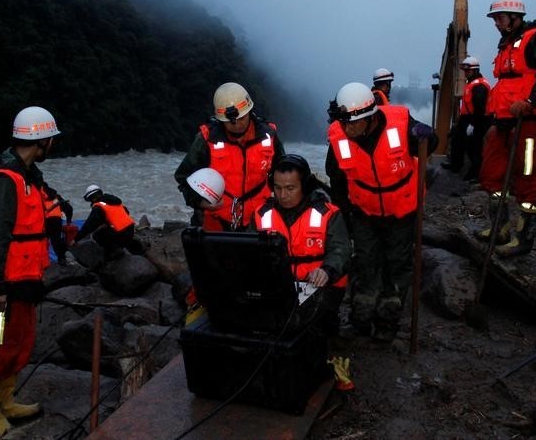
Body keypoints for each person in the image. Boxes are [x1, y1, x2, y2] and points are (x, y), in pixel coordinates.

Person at [326, 82, 436, 342]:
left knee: (397, 266)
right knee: (365, 264)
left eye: (353, 123)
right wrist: (344, 218)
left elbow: (432, 141)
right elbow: (337, 181)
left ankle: (387, 321)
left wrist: (427, 137)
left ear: (370, 116)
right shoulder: (339, 136)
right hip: (364, 212)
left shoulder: (400, 123)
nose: (347, 129)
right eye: (344, 123)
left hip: (402, 211)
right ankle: (361, 319)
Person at [0, 106, 59, 437]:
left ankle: (6, 399)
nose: (52, 145)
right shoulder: (5, 181)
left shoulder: (27, 176)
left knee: (20, 343)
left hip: (25, 283)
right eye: (51, 139)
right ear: (41, 141)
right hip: (4, 289)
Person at [478, 0, 536, 257]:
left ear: (514, 17)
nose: (496, 23)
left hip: (527, 121)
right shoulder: (507, 42)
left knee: (526, 178)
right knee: (492, 174)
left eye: (499, 18)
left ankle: (524, 237)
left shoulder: (535, 38)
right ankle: (499, 227)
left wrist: (531, 101)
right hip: (503, 121)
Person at [253, 154, 350, 335]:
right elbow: (246, 253)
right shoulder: (261, 214)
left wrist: (327, 271)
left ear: (305, 186)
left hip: (322, 286)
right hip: (278, 287)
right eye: (278, 188)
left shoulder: (328, 213)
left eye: (290, 188)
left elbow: (341, 250)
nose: (283, 195)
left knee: (299, 326)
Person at [175, 82, 285, 231]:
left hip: (258, 219)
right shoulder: (206, 140)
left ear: (249, 111)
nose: (237, 124)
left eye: (241, 118)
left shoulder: (268, 136)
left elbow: (284, 173)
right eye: (231, 122)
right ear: (221, 119)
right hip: (216, 218)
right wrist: (199, 202)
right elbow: (183, 176)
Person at [441, 56, 491, 179]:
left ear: (475, 71)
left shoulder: (479, 86)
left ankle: (475, 173)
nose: (465, 74)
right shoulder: (472, 84)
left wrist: (473, 125)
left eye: (468, 71)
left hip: (477, 120)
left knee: (474, 147)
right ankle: (455, 165)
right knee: (457, 139)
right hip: (467, 118)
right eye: (465, 71)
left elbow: (480, 108)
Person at [73, 184, 145, 256]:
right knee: (114, 230)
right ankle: (130, 245)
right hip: (131, 231)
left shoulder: (98, 207)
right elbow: (126, 212)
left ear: (91, 198)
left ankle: (114, 251)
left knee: (97, 235)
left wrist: (75, 239)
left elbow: (89, 226)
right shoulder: (115, 201)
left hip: (120, 235)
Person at [41, 183, 73, 264]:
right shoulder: (56, 196)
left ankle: (42, 262)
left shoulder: (37, 194)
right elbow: (69, 208)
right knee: (56, 241)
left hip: (43, 221)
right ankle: (62, 259)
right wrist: (68, 222)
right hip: (56, 221)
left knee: (42, 242)